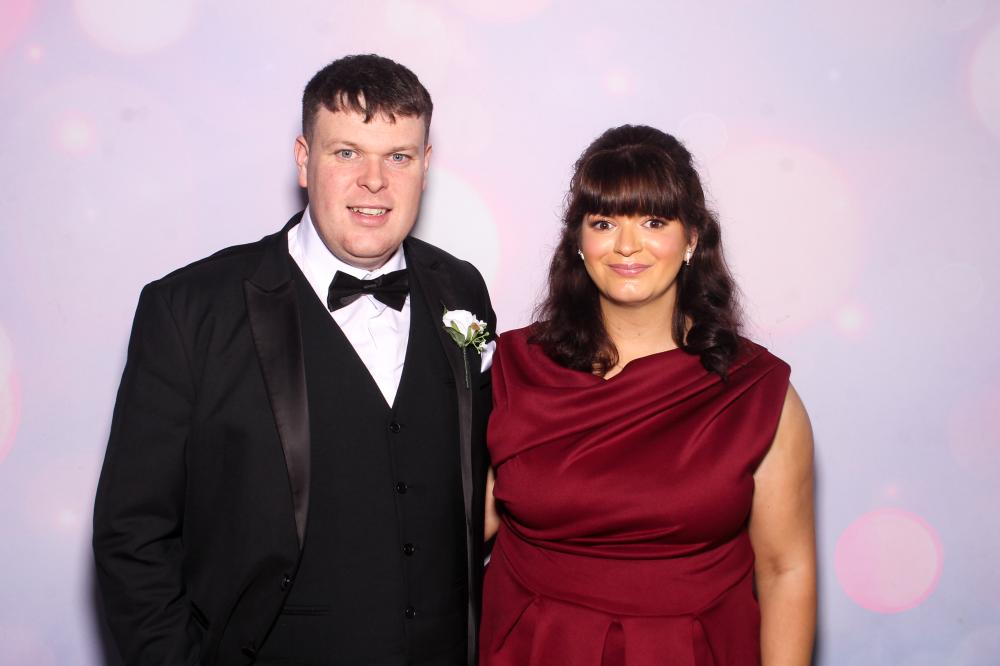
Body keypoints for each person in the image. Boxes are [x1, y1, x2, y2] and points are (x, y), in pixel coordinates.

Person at [93, 54, 496, 666]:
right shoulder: (189, 309)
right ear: (304, 160)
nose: (374, 181)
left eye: (398, 156)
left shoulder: (461, 290)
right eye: (346, 153)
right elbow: (132, 535)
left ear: (425, 165)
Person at [480, 125, 816, 665]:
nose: (627, 245)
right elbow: (450, 536)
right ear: (579, 241)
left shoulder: (757, 394)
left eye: (654, 222)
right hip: (535, 649)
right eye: (604, 222)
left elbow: (785, 569)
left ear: (693, 238)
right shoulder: (513, 370)